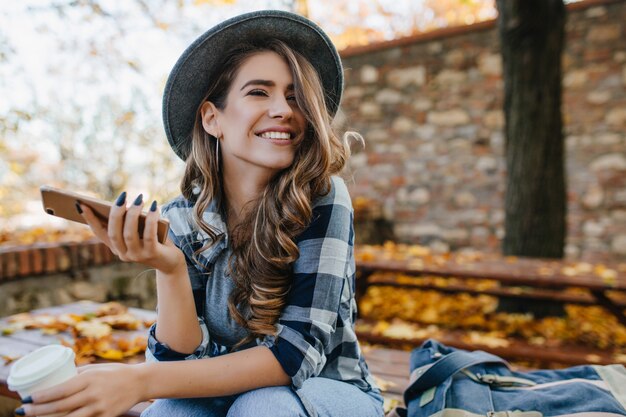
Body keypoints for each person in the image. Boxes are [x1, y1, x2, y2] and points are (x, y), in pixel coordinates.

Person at [16, 10, 384, 417]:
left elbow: (293, 357)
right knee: (171, 412)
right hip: (225, 389)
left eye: (294, 96)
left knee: (263, 407)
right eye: (259, 92)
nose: (284, 109)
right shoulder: (181, 218)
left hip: (330, 390)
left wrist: (138, 381)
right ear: (212, 118)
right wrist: (168, 268)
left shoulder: (322, 197)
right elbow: (179, 366)